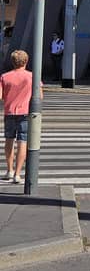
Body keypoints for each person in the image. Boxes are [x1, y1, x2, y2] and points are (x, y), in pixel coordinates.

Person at [1, 50, 32, 182]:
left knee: (9, 140)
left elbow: (1, 96)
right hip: (25, 113)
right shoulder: (32, 76)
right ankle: (18, 174)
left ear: (12, 61)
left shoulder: (4, 77)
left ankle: (9, 170)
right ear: (26, 61)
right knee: (22, 142)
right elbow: (39, 96)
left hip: (9, 112)